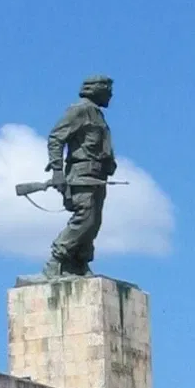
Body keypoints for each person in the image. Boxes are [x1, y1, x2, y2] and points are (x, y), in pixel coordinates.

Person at [44, 77, 118, 277]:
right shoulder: (79, 110)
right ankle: (57, 259)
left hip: (97, 176)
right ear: (95, 90)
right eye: (108, 89)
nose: (111, 94)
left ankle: (79, 262)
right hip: (81, 174)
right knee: (84, 218)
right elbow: (56, 138)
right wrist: (57, 171)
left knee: (94, 222)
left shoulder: (97, 114)